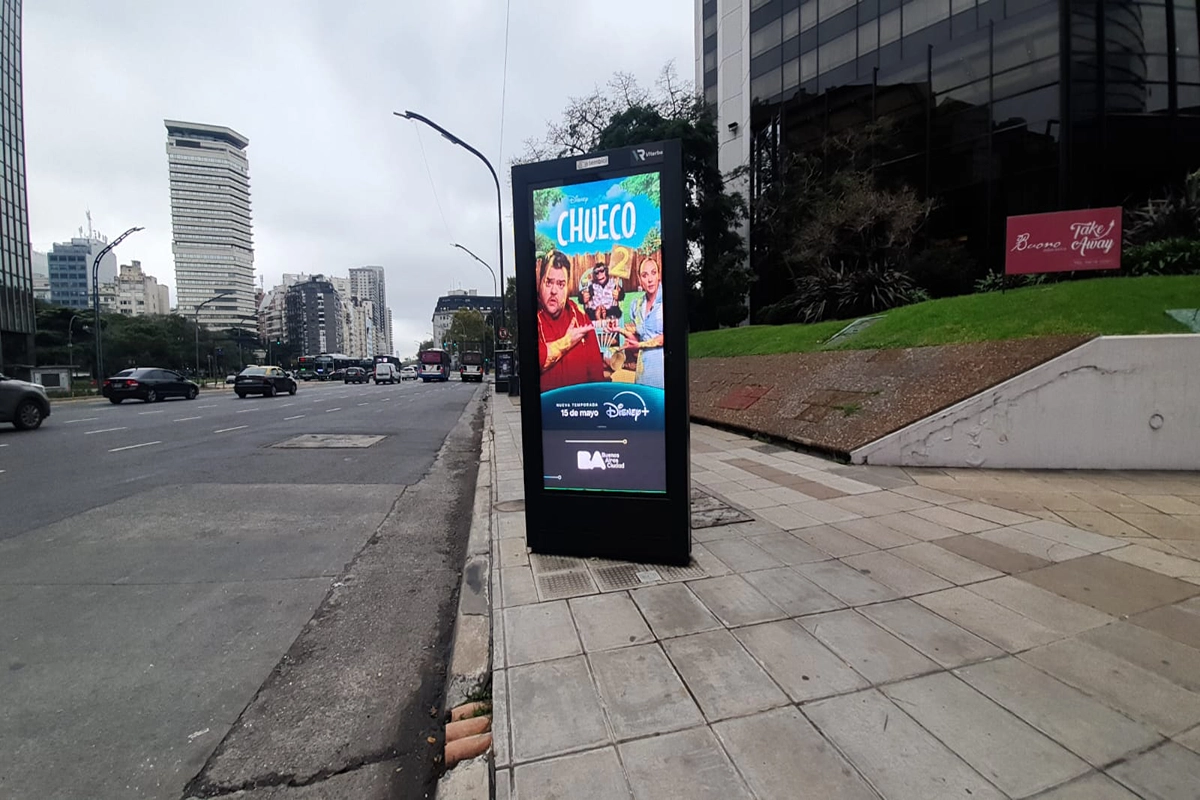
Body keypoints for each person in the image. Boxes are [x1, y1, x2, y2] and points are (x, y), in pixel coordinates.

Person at [537, 250, 606, 391]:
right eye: (549, 282)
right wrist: (568, 341)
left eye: (561, 284)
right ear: (540, 283)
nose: (554, 291)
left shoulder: (581, 318)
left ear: (568, 287)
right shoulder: (533, 318)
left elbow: (596, 378)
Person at [624, 258, 665, 389]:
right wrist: (620, 331)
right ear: (640, 279)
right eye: (644, 275)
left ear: (659, 275)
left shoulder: (667, 300)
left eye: (653, 273)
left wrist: (640, 344)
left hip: (661, 369)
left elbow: (667, 337)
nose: (650, 279)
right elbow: (637, 339)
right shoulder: (636, 305)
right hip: (643, 371)